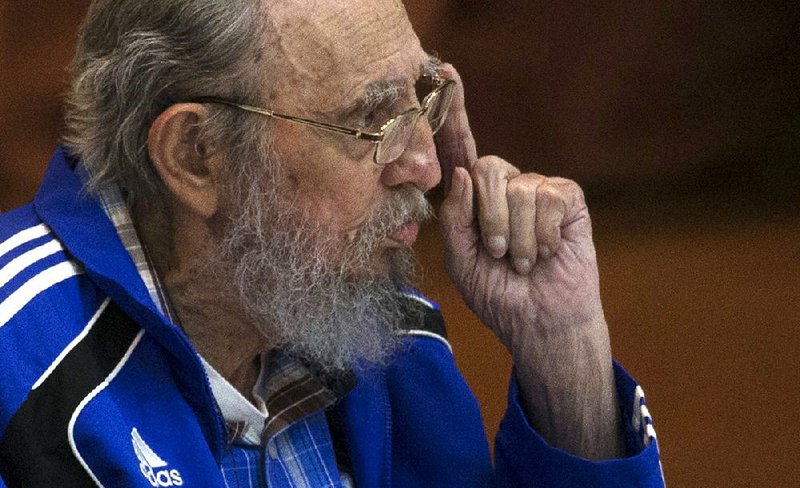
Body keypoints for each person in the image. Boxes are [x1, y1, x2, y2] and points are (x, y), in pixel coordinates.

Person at [0, 0, 665, 486]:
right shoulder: (19, 368)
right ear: (195, 155)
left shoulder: (376, 325)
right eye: (371, 122)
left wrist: (564, 355)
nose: (428, 168)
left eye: (423, 99)